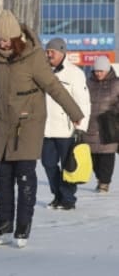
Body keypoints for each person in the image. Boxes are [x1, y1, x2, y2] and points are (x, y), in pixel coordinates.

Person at [0, 10, 84, 247]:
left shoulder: (34, 58)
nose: (1, 44)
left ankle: (23, 224)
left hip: (28, 123)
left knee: (24, 174)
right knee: (3, 176)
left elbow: (54, 86)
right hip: (3, 122)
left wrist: (74, 112)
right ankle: (5, 222)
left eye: (5, 40)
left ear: (16, 38)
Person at [42, 37, 91, 210]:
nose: (48, 55)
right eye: (47, 52)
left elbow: (83, 102)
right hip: (46, 129)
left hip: (67, 130)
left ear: (62, 52)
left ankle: (68, 199)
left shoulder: (75, 74)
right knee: (48, 164)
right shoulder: (43, 71)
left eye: (52, 52)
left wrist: (81, 128)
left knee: (68, 166)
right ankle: (57, 195)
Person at [83, 56, 119, 193]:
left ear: (107, 70)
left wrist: (113, 113)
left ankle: (104, 182)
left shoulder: (116, 83)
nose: (98, 73)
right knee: (93, 157)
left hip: (109, 125)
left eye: (101, 71)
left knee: (107, 156)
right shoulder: (88, 82)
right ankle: (99, 177)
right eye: (96, 71)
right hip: (91, 125)